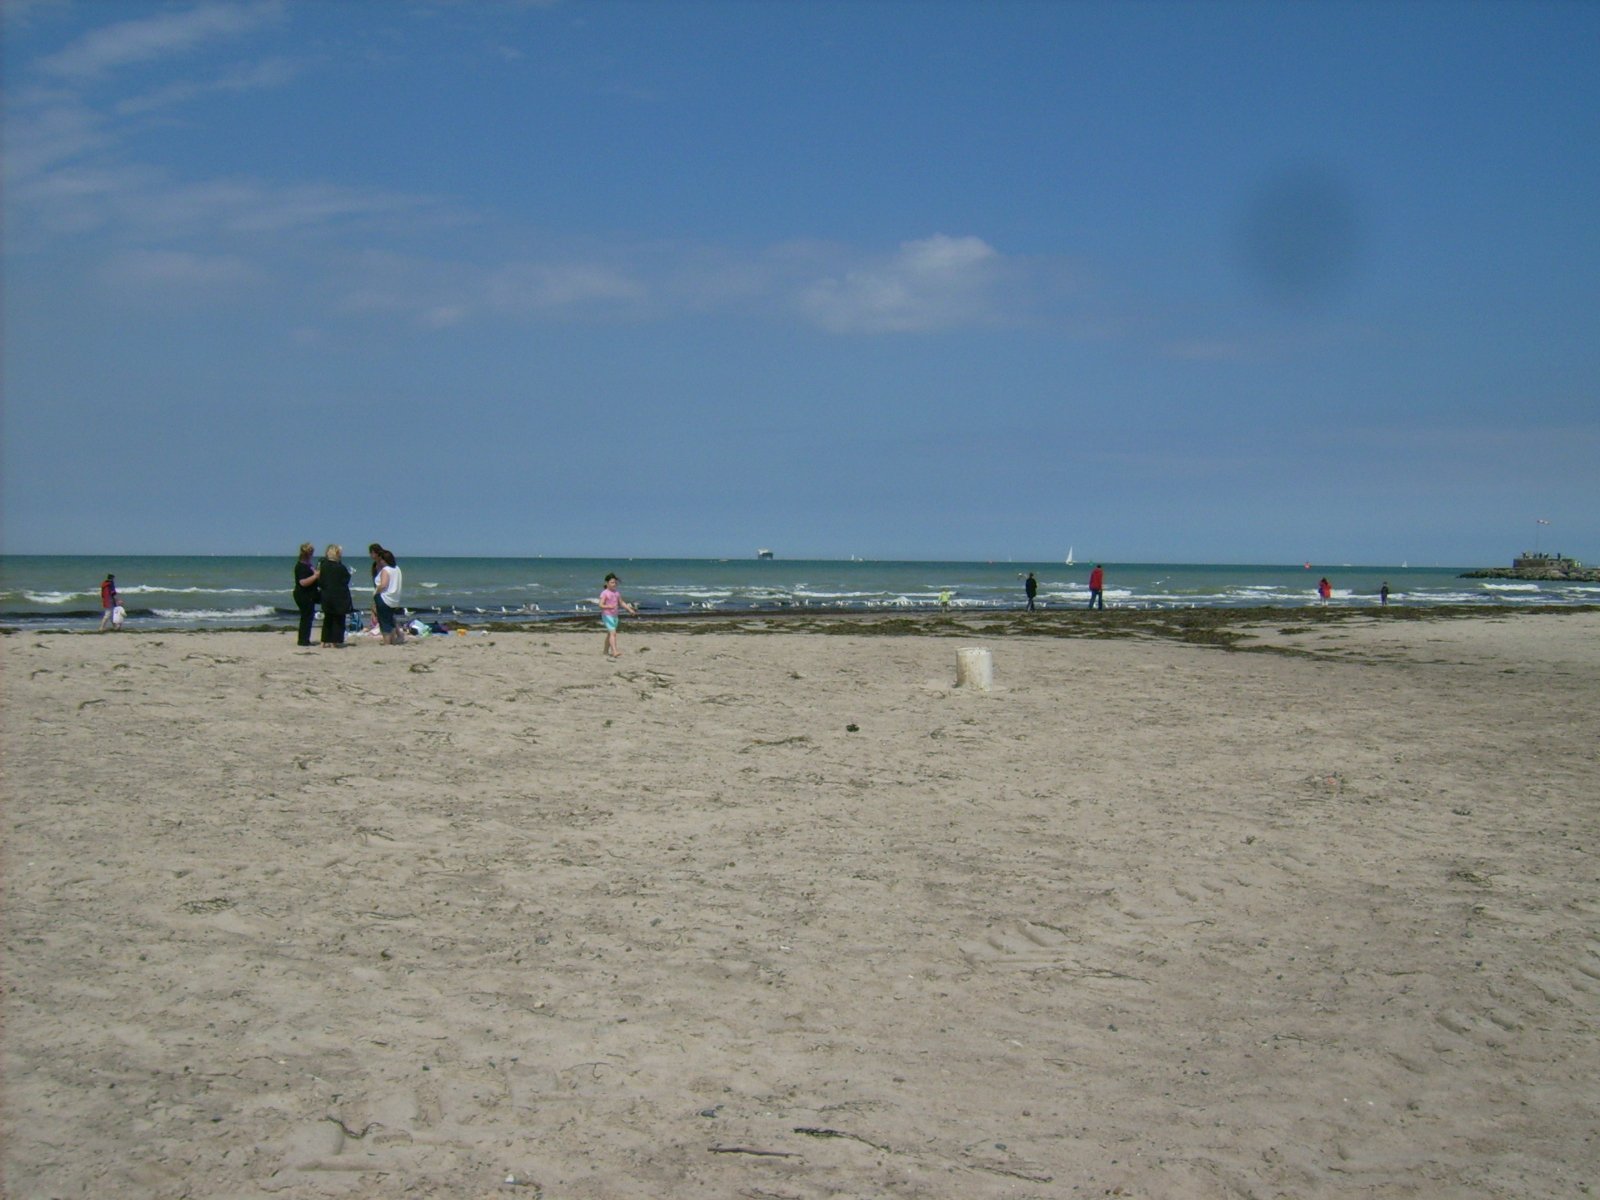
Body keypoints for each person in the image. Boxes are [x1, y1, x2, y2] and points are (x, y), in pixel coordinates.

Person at [317, 545, 353, 646]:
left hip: (326, 595)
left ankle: (324, 641)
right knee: (338, 618)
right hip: (339, 596)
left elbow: (320, 581)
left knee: (328, 618)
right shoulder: (340, 567)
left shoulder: (323, 566)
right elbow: (346, 580)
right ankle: (335, 641)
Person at [597, 572, 637, 659]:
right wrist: (608, 606)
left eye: (615, 582)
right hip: (607, 615)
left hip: (615, 616)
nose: (614, 584)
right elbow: (600, 604)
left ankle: (605, 651)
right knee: (613, 633)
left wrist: (630, 610)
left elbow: (621, 603)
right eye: (612, 582)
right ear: (607, 583)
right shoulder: (604, 593)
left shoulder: (616, 593)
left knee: (610, 634)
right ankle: (614, 651)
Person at [373, 548, 405, 644]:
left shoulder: (386, 570)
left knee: (384, 623)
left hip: (384, 598)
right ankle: (392, 641)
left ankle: (387, 642)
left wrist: (376, 592)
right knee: (390, 620)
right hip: (394, 599)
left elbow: (383, 585)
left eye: (382, 559)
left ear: (385, 560)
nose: (381, 561)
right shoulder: (397, 569)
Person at [293, 542, 320, 647]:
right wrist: (315, 576)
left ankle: (305, 639)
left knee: (308, 616)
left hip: (309, 594)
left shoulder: (308, 565)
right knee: (306, 616)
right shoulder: (300, 566)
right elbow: (303, 582)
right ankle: (303, 640)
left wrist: (316, 573)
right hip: (303, 594)